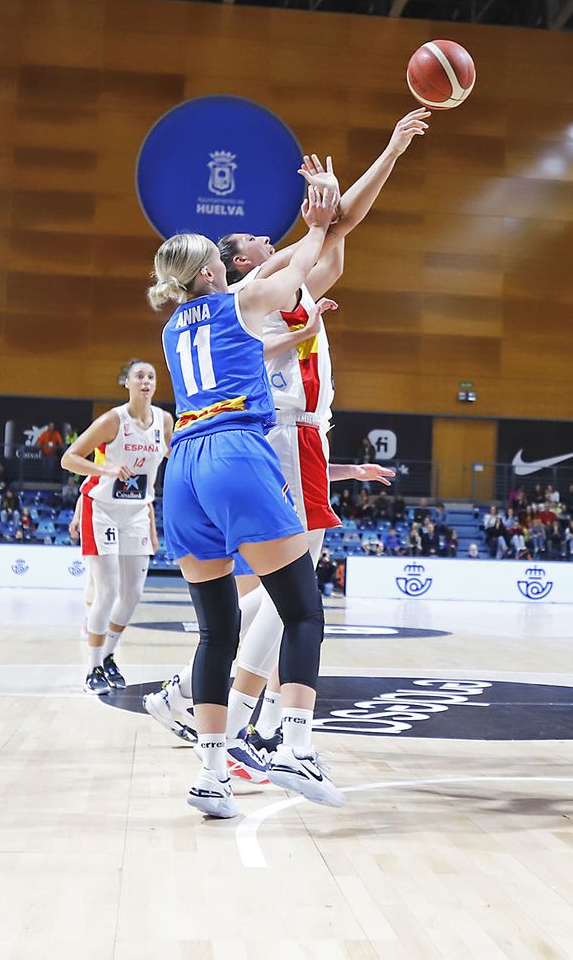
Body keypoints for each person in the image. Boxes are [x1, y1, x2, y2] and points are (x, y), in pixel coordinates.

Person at [143, 114, 423, 780]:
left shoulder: (245, 303)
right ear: (234, 264)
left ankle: (232, 715)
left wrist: (333, 208)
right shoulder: (248, 296)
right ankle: (248, 721)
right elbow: (331, 232)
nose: (273, 239)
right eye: (258, 242)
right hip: (268, 437)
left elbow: (334, 247)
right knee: (295, 592)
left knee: (269, 591)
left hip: (254, 445)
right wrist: (385, 154)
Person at [147, 178, 348, 818]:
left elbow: (259, 344)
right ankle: (295, 745)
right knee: (302, 611)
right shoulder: (240, 300)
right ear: (213, 269)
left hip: (182, 467)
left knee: (217, 631)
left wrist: (303, 321)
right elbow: (295, 272)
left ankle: (211, 775)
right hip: (234, 452)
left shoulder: (175, 327)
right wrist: (316, 225)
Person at [60, 360, 173, 695]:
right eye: (139, 376)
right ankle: (93, 665)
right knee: (107, 592)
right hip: (104, 511)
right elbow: (70, 458)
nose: (146, 381)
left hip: (137, 512)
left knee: (133, 594)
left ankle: (110, 656)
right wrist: (107, 469)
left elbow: (173, 456)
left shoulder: (164, 421)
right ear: (126, 382)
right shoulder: (113, 420)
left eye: (151, 376)